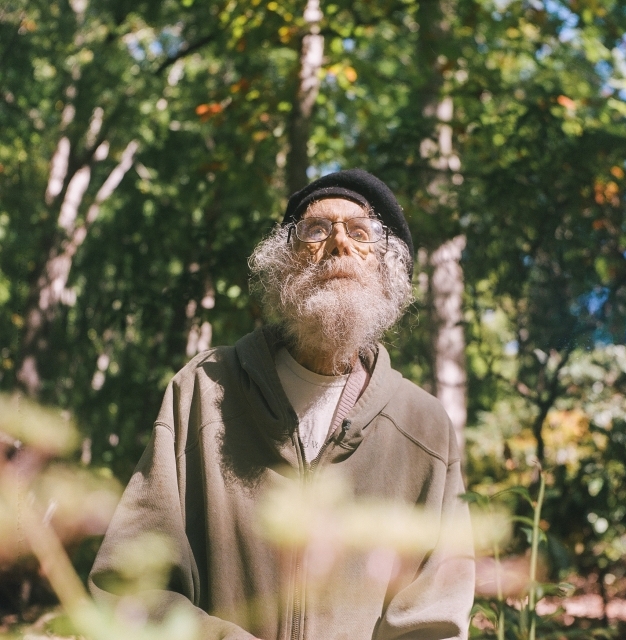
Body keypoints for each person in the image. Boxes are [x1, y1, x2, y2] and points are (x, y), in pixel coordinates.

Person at [89, 169, 475, 640]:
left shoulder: (424, 425)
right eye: (316, 230)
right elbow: (130, 582)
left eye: (360, 233)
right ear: (284, 262)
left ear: (387, 269)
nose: (338, 243)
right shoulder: (203, 391)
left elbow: (435, 617)